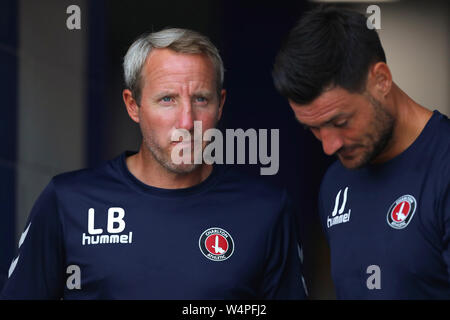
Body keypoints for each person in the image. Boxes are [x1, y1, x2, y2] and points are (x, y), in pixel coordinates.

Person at [1, 28, 306, 299]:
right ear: (133, 105)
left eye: (201, 99)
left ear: (220, 104)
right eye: (167, 99)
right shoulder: (68, 201)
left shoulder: (265, 209)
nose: (187, 122)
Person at [272, 6, 450, 299]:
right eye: (313, 129)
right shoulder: (334, 185)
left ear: (381, 80)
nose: (330, 146)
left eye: (340, 122)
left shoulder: (442, 168)